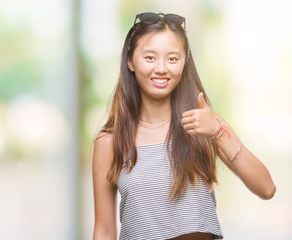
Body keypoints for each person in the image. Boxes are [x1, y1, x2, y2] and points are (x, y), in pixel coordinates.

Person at [91, 12, 276, 240]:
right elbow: (104, 231)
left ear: (184, 62)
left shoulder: (205, 125)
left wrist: (217, 132)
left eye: (172, 58)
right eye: (150, 58)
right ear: (130, 61)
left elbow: (266, 188)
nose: (161, 68)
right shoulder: (109, 141)